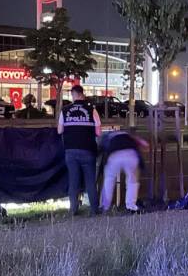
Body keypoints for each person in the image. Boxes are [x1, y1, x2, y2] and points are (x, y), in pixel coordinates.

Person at [57, 85, 101, 215]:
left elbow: (59, 130)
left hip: (70, 151)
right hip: (88, 150)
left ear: (73, 95)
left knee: (73, 181)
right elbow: (98, 132)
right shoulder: (91, 110)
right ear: (82, 94)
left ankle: (73, 210)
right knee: (90, 182)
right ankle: (94, 210)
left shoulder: (65, 110)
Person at [99, 130, 147, 213]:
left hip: (114, 155)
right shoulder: (129, 135)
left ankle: (105, 206)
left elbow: (101, 148)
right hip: (130, 154)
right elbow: (144, 144)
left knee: (109, 179)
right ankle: (131, 206)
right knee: (132, 181)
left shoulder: (108, 136)